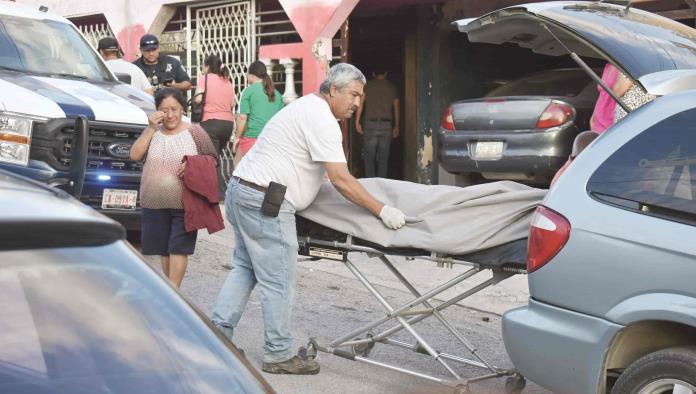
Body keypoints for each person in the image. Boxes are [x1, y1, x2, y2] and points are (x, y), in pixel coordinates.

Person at [211, 63, 407, 375]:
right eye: (354, 95)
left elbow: (320, 172)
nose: (358, 102)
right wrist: (382, 210)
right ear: (333, 90)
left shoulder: (304, 107)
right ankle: (278, 354)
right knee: (280, 281)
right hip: (268, 200)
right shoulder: (322, 119)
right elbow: (341, 180)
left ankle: (216, 337)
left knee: (246, 268)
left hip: (242, 189)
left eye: (361, 96)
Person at [130, 88, 217, 288]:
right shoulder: (153, 132)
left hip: (185, 202)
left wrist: (193, 165)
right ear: (157, 111)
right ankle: (171, 289)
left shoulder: (195, 131)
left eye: (174, 109)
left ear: (182, 109)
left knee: (179, 248)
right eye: (164, 110)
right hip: (154, 201)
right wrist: (150, 128)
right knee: (164, 249)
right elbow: (134, 155)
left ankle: (174, 291)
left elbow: (212, 159)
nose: (170, 115)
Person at [194, 54, 236, 198]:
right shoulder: (227, 81)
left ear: (207, 66)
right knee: (215, 157)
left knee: (211, 160)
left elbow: (198, 99)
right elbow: (232, 104)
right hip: (228, 125)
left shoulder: (204, 78)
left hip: (211, 123)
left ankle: (217, 194)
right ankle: (216, 191)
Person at [233, 60, 283, 166]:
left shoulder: (248, 91)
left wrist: (237, 138)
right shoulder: (277, 94)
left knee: (238, 167)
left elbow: (242, 118)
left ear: (251, 75)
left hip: (252, 137)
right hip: (272, 139)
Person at [355, 68, 400, 178]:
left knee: (369, 158)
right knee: (383, 159)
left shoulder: (367, 86)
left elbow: (360, 104)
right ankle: (381, 184)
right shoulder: (392, 87)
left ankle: (371, 185)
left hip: (370, 125)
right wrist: (397, 126)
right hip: (386, 125)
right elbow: (396, 108)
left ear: (374, 73)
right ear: (385, 73)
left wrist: (357, 121)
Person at [589, 63, 619, 133]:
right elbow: (602, 93)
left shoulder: (624, 70)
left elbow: (617, 92)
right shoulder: (608, 65)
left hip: (610, 124)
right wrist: (593, 117)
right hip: (597, 121)